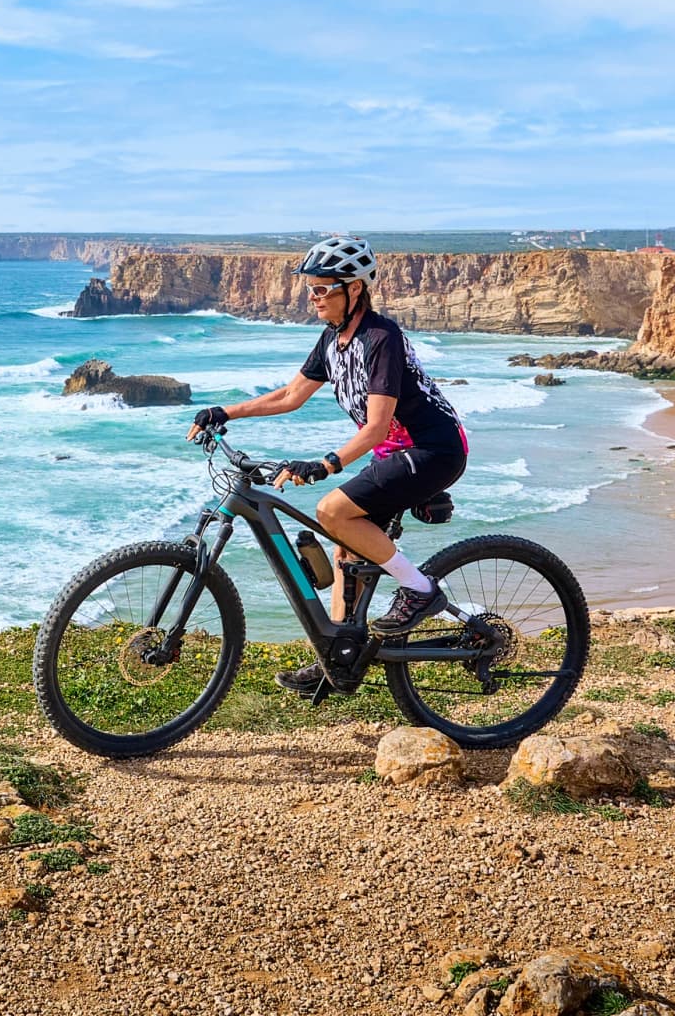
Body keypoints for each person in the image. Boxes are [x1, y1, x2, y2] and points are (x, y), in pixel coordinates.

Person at [186, 234, 469, 696]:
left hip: (432, 451)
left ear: (353, 289)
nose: (312, 297)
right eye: (310, 288)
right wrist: (224, 412)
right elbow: (289, 396)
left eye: (322, 289)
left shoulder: (381, 338)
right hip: (395, 455)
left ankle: (420, 590)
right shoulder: (334, 341)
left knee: (332, 512)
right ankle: (339, 654)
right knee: (345, 550)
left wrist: (325, 464)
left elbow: (377, 426)